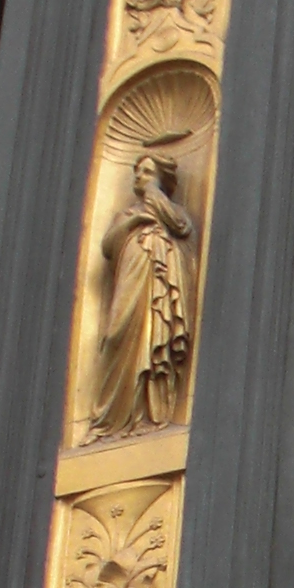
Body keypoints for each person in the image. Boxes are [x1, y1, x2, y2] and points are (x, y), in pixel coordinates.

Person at [90, 150, 200, 435]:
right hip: (130, 280)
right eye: (137, 172)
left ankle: (149, 413)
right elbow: (108, 246)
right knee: (116, 334)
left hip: (156, 288)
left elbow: (182, 227)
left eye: (148, 172)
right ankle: (111, 417)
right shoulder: (126, 214)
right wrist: (134, 223)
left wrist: (155, 197)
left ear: (161, 179)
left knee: (155, 343)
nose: (139, 176)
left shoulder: (172, 212)